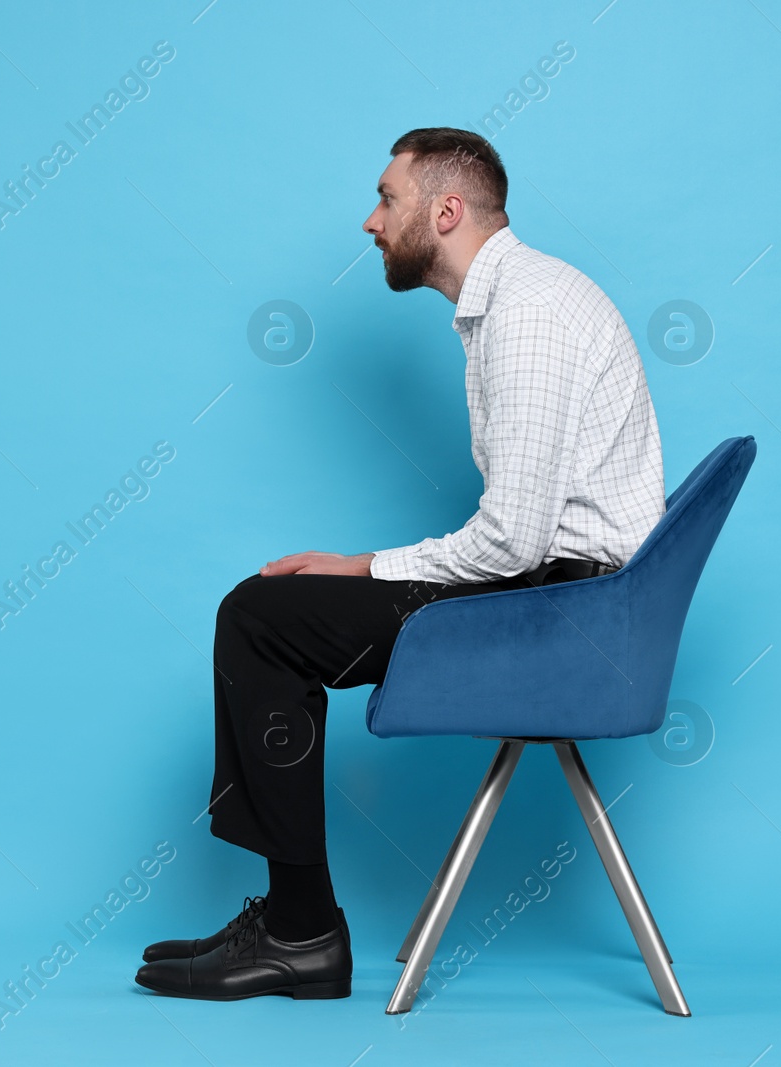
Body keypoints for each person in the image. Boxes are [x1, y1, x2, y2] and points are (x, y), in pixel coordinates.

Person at [135, 127, 666, 1001]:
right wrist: (360, 569)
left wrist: (360, 567)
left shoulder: (527, 314)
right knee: (266, 606)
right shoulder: (515, 304)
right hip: (568, 605)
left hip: (567, 622)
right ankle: (291, 920)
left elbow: (512, 544)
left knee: (260, 620)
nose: (370, 221)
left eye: (388, 198)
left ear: (445, 211)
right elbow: (517, 541)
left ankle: (301, 931)